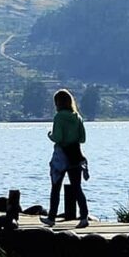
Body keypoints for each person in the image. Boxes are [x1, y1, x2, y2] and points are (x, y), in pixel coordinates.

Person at [41, 88, 89, 228]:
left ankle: (51, 218)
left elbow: (58, 137)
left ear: (58, 103)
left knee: (56, 187)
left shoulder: (59, 117)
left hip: (61, 156)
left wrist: (50, 135)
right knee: (77, 188)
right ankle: (84, 217)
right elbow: (82, 138)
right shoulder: (77, 117)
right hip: (75, 154)